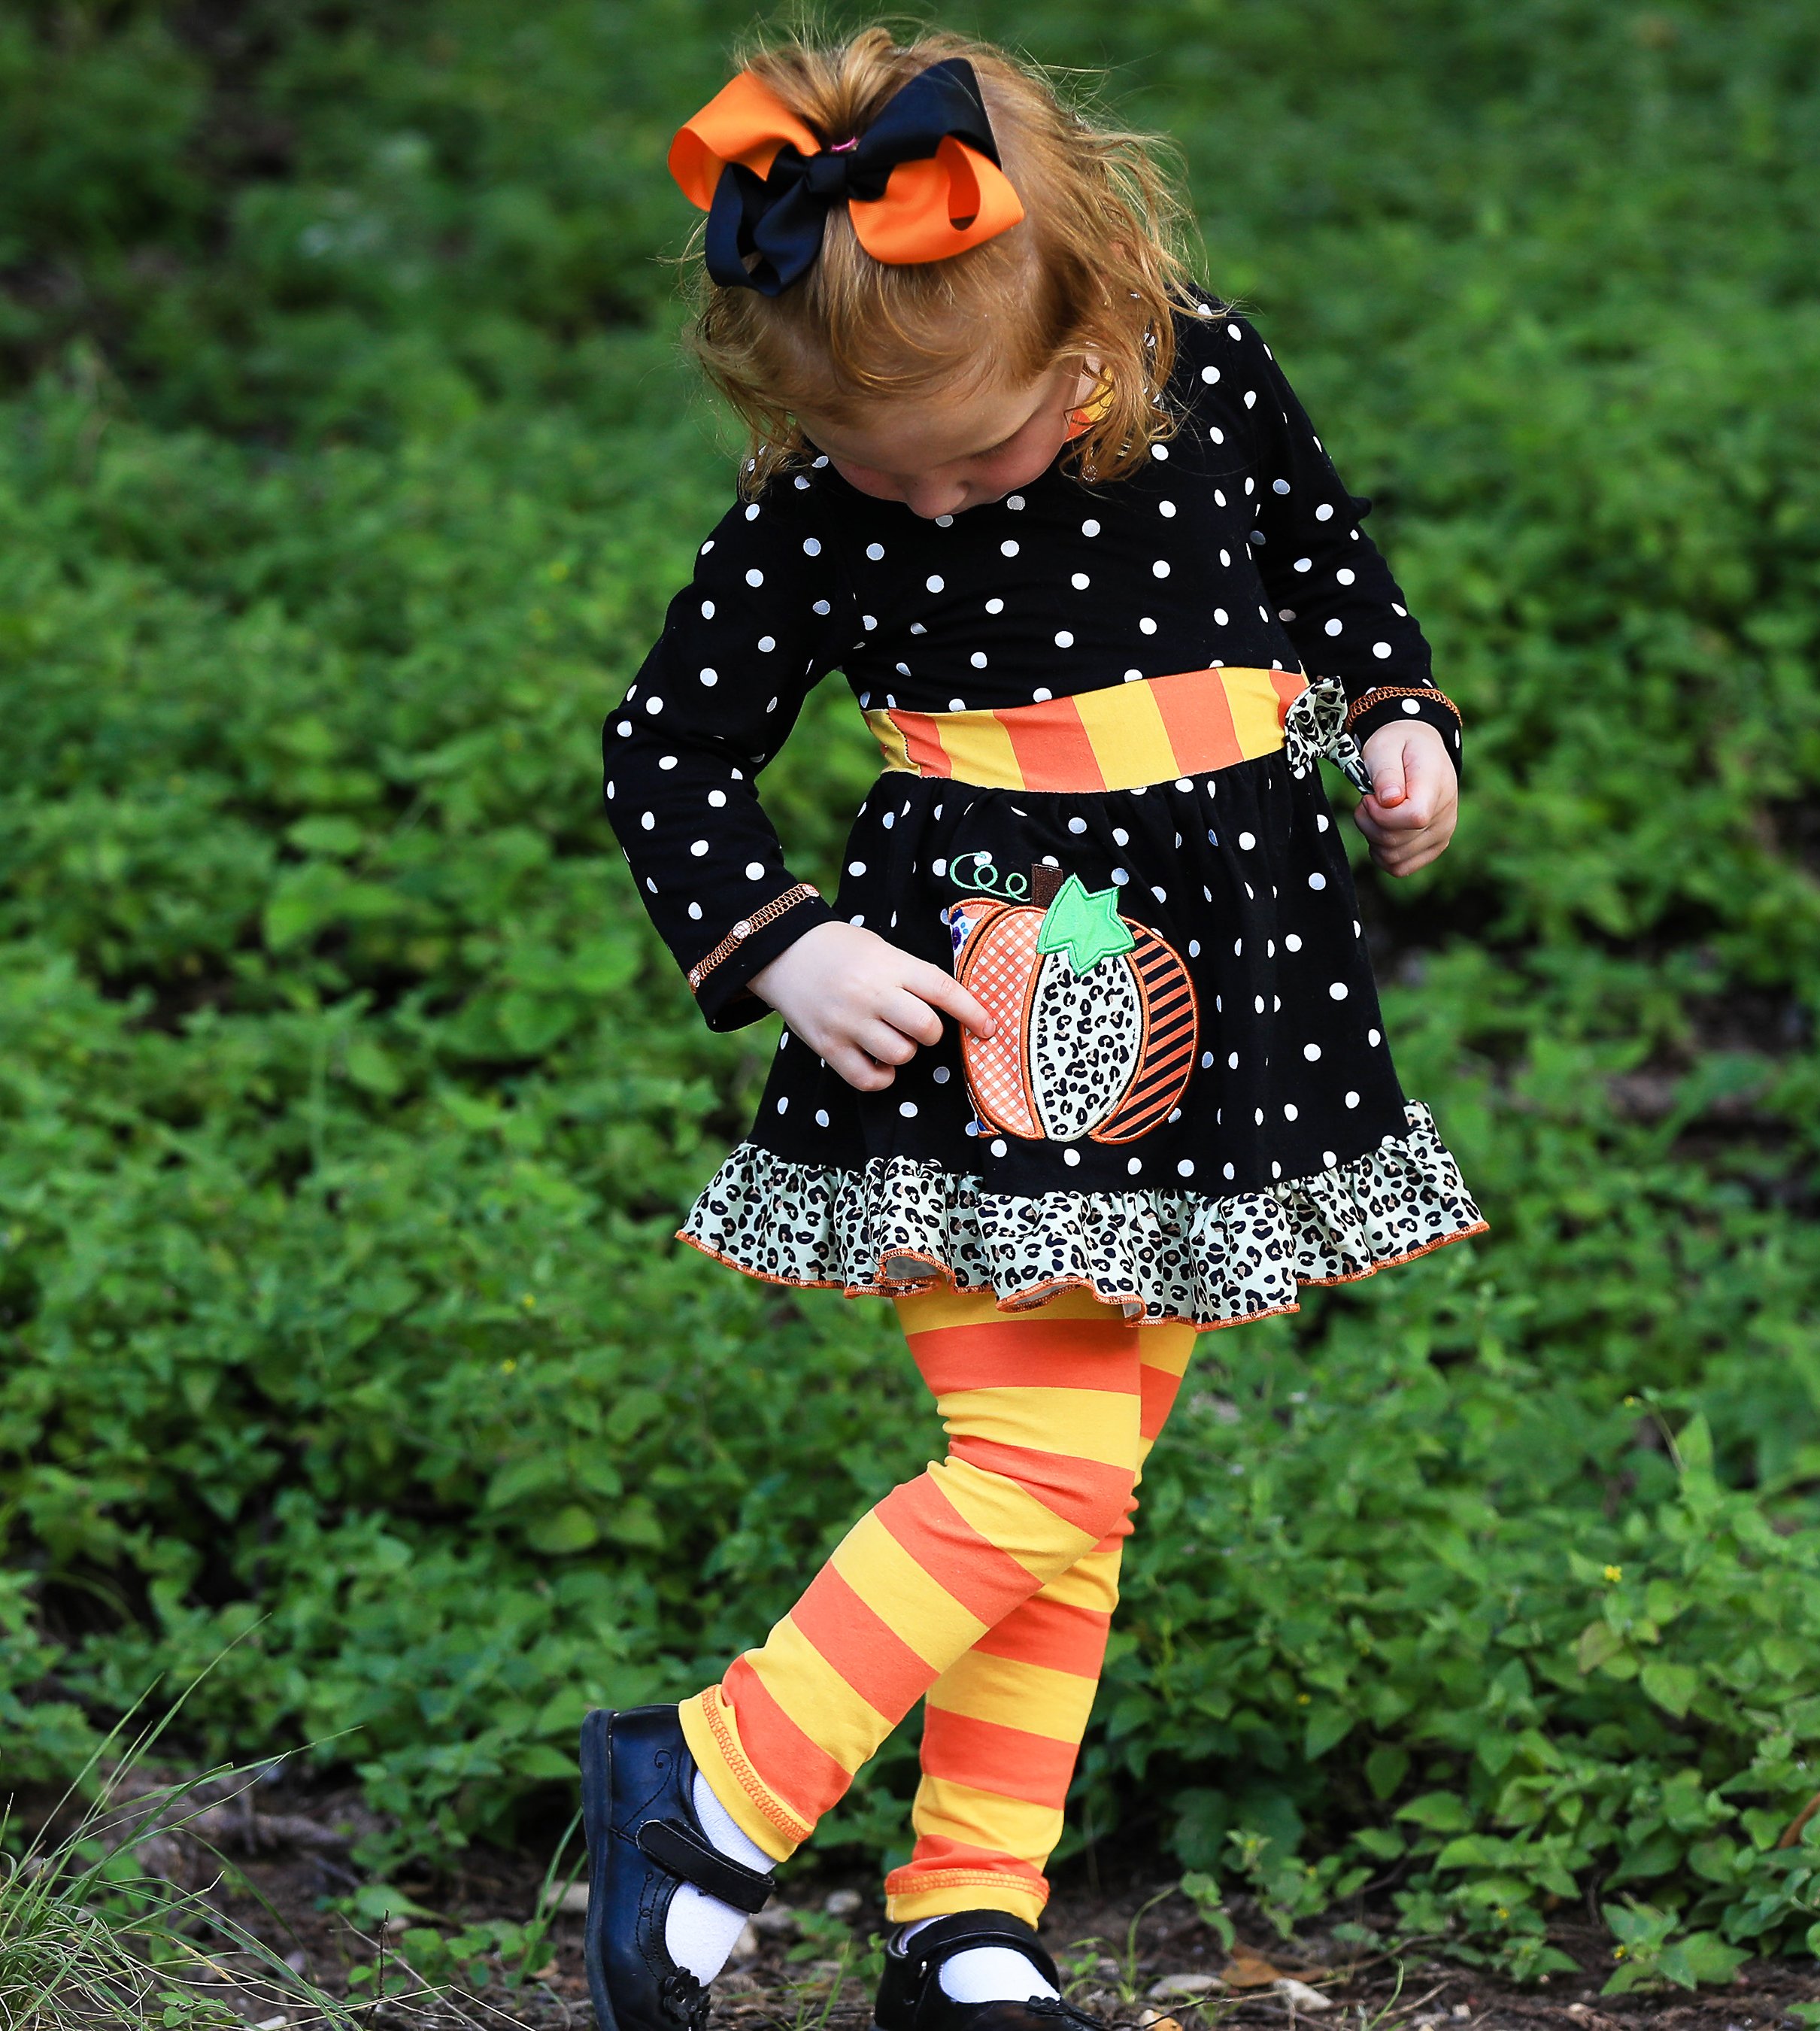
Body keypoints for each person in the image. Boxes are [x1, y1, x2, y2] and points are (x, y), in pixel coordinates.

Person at [581, 28, 1487, 2031]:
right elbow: (667, 749)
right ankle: (713, 1783)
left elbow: (1328, 578)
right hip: (985, 1010)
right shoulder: (828, 501)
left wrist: (1391, 718)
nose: (924, 494)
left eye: (967, 457)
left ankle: (967, 1918)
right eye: (874, 463)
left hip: (1216, 996)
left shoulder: (1205, 368)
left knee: (1079, 1485)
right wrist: (782, 945)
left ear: (1091, 321)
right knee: (1039, 1462)